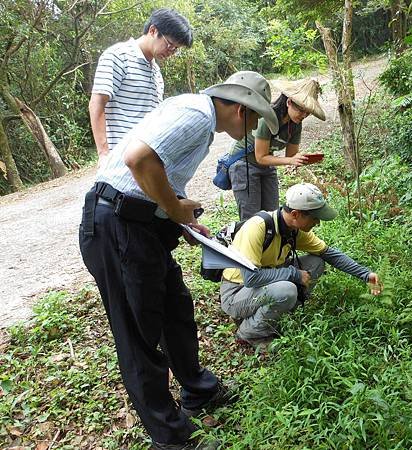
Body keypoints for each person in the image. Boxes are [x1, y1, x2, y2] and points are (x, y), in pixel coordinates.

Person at [79, 71, 278, 450]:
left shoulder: (198, 120)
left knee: (176, 312)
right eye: (254, 120)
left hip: (142, 227)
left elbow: (160, 178)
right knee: (138, 336)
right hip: (116, 225)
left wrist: (187, 224)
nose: (253, 130)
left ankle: (197, 390)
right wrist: (173, 209)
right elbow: (138, 160)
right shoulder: (197, 112)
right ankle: (171, 438)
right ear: (240, 109)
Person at [220, 183, 382, 349]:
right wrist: (294, 274)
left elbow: (329, 253)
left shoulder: (293, 230)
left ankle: (275, 316)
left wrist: (366, 275)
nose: (318, 223)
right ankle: (249, 333)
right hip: (236, 293)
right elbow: (251, 278)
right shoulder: (257, 228)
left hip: (265, 283)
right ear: (296, 214)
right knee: (286, 290)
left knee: (316, 263)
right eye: (314, 217)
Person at [89, 8, 193, 166]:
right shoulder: (118, 56)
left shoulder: (156, 71)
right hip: (121, 159)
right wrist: (104, 154)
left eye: (176, 49)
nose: (171, 52)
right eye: (170, 45)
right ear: (153, 30)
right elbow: (97, 103)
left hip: (146, 160)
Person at [229, 78, 326, 220]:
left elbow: (291, 156)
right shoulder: (267, 117)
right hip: (244, 164)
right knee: (251, 218)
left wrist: (300, 159)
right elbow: (260, 157)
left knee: (272, 215)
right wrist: (291, 160)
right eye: (301, 110)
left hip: (267, 165)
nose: (304, 115)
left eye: (308, 112)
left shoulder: (296, 125)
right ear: (289, 102)